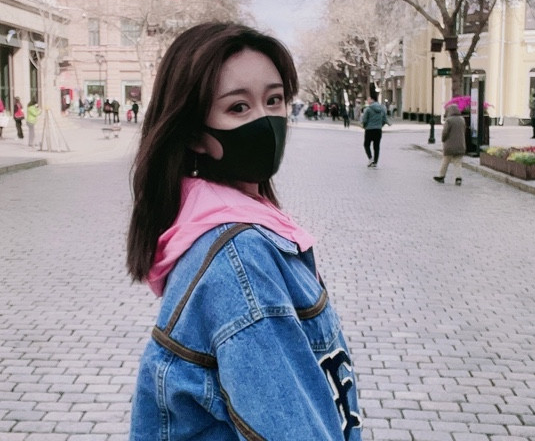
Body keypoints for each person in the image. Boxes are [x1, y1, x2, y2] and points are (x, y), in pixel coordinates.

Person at [126, 22, 362, 441]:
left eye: (274, 100)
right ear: (195, 134)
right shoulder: (240, 257)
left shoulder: (237, 226)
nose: (266, 121)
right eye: (238, 107)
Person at [433, 103, 466, 186]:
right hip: (460, 145)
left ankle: (441, 176)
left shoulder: (449, 120)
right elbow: (464, 130)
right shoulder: (462, 120)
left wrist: (443, 139)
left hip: (449, 145)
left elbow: (445, 132)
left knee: (445, 161)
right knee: (458, 162)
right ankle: (458, 178)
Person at [361, 93, 389, 168]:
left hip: (369, 130)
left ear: (372, 99)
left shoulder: (368, 109)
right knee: (376, 146)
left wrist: (364, 126)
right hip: (378, 130)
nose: (368, 100)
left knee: (366, 144)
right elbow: (384, 119)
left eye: (368, 99)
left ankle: (370, 158)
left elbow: (364, 120)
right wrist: (380, 125)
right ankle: (375, 162)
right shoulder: (382, 109)